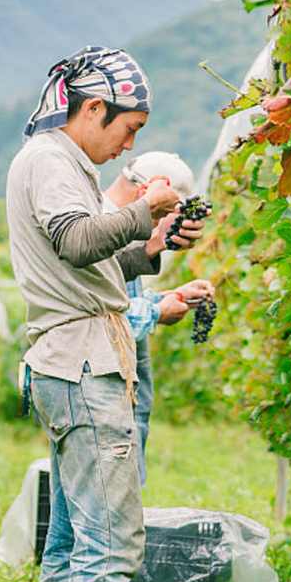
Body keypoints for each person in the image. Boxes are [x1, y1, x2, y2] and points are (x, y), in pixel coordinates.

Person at [5, 46, 199, 582]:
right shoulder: (53, 162)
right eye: (128, 128)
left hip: (72, 360)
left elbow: (94, 261)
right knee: (112, 542)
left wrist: (151, 246)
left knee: (70, 536)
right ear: (93, 108)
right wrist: (147, 207)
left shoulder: (62, 164)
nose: (128, 146)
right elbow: (76, 241)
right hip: (84, 367)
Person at [103, 152, 213, 475]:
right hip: (108, 396)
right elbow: (98, 316)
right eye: (171, 212)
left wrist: (171, 296)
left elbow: (119, 296)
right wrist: (155, 311)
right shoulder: (102, 226)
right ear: (147, 194)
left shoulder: (121, 230)